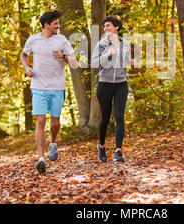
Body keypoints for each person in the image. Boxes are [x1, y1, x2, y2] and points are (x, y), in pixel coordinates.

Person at [20, 10, 77, 173]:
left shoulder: (62, 40)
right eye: (56, 23)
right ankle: (41, 158)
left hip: (57, 87)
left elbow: (74, 63)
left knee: (55, 123)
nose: (58, 26)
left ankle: (53, 141)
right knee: (40, 121)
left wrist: (63, 56)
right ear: (46, 25)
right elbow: (23, 55)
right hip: (38, 86)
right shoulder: (33, 40)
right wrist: (26, 67)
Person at [91, 15, 135, 163]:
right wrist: (107, 55)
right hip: (105, 84)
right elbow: (94, 63)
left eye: (108, 26)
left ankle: (118, 152)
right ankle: (102, 146)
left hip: (121, 84)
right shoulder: (102, 44)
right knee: (105, 118)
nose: (106, 29)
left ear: (116, 27)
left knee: (119, 116)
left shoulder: (125, 44)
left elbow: (126, 60)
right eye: (104, 27)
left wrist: (132, 62)